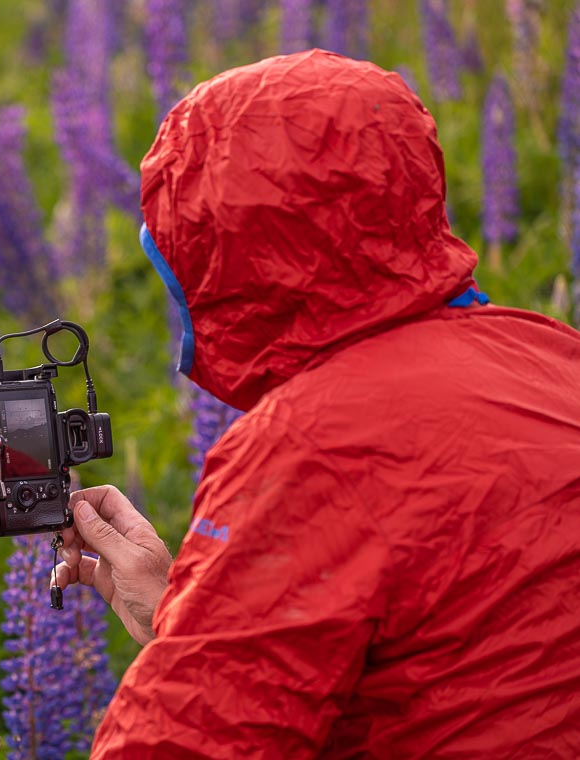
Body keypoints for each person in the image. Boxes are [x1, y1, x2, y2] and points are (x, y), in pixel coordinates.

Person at [54, 49, 580, 758]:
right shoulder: (552, 354)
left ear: (233, 256)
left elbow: (179, 744)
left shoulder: (309, 444)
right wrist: (183, 615)